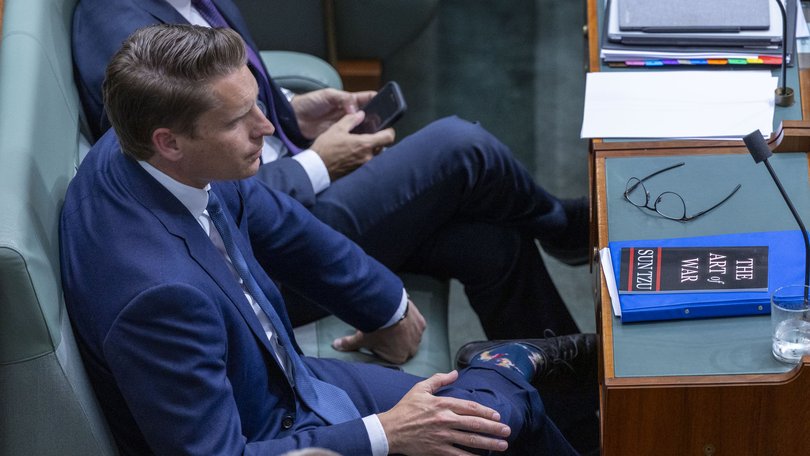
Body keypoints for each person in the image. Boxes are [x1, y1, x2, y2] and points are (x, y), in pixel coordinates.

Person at [60, 24, 596, 455]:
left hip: (286, 374)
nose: (267, 129)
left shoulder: (136, 145)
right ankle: (510, 364)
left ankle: (520, 377)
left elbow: (279, 221)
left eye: (257, 104)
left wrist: (384, 306)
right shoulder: (158, 299)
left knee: (494, 384)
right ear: (170, 143)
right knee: (497, 415)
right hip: (277, 424)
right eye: (238, 120)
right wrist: (388, 434)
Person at [71, 0, 591, 350]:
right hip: (259, 247)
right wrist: (319, 162)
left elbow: (218, 102)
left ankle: (576, 411)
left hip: (279, 183)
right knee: (460, 146)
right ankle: (563, 228)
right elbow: (193, 187)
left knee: (490, 242)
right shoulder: (123, 40)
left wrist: (292, 109)